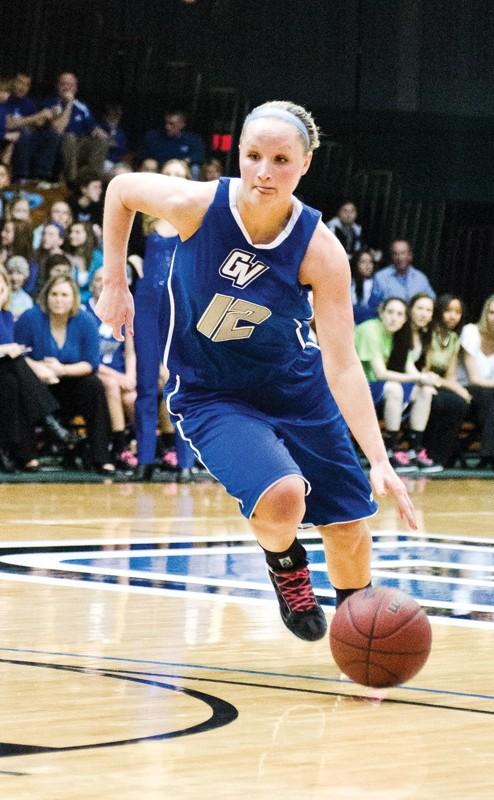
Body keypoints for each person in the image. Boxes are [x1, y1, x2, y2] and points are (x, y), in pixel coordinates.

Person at [96, 100, 416, 642]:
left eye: (280, 159)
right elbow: (120, 189)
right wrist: (114, 281)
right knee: (284, 495)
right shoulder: (197, 205)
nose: (264, 172)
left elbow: (341, 362)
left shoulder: (321, 250)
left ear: (306, 163)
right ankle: (287, 566)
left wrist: (380, 457)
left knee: (346, 529)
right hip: (213, 393)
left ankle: (358, 635)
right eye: (252, 156)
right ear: (239, 156)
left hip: (297, 389)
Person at [133, 158, 196, 481]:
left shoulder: (195, 218)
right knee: (145, 384)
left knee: (179, 382)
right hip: (145, 303)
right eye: (167, 174)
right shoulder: (144, 217)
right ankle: (144, 459)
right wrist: (133, 263)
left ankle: (185, 462)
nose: (172, 178)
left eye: (179, 174)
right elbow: (127, 249)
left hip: (180, 305)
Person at [15, 275, 114, 473]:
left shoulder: (85, 321)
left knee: (94, 386)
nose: (59, 299)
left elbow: (91, 363)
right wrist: (38, 367)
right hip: (38, 384)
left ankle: (101, 457)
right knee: (17, 383)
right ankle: (26, 456)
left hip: (71, 382)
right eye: (54, 294)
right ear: (46, 296)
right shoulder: (30, 318)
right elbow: (17, 355)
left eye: (64, 295)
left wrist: (62, 370)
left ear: (73, 298)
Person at [355, 296, 442, 472]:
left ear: (405, 319)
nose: (394, 318)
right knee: (394, 388)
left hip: (379, 390)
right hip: (357, 388)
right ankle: (391, 449)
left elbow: (411, 370)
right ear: (381, 312)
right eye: (390, 312)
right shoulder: (370, 329)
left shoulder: (401, 336)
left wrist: (427, 379)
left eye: (400, 314)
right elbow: (380, 374)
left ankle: (414, 449)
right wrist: (419, 378)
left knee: (425, 390)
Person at [0, 266, 71, 472]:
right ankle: (49, 423)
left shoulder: (6, 316)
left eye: (1, 289)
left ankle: (12, 451)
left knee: (12, 384)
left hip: (6, 375)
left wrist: (38, 367)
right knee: (12, 374)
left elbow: (15, 354)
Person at [86, 267, 137, 468]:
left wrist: (131, 376)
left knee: (132, 398)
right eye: (98, 279)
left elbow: (130, 351)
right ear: (91, 285)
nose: (103, 284)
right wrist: (118, 376)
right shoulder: (84, 311)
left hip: (121, 373)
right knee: (111, 385)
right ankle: (120, 445)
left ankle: (143, 442)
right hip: (97, 372)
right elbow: (89, 357)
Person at [422, 294, 471, 468]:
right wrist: (456, 388)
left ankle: (442, 458)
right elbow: (425, 369)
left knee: (460, 403)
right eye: (448, 311)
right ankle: (425, 452)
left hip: (441, 382)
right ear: (439, 312)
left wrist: (460, 391)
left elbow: (451, 375)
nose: (453, 316)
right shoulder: (429, 333)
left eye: (457, 312)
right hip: (424, 381)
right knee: (442, 403)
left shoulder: (454, 338)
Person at [45, 72, 109, 185]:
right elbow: (58, 129)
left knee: (101, 141)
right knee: (69, 138)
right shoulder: (51, 103)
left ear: (76, 88)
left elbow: (92, 127)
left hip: (79, 145)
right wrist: (69, 104)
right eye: (63, 84)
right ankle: (73, 181)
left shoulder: (82, 106)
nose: (67, 88)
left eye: (71, 85)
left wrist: (98, 132)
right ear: (57, 86)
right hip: (59, 147)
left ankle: (93, 181)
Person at [459, 294, 494, 469]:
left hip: (488, 393)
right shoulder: (470, 331)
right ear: (485, 313)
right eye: (492, 312)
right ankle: (488, 454)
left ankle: (488, 454)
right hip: (465, 389)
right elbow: (474, 378)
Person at [368, 239, 436, 311]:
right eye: (395, 254)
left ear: (410, 256)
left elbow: (432, 301)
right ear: (391, 257)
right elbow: (373, 306)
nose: (399, 258)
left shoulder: (421, 278)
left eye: (403, 253)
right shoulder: (380, 277)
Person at [137, 109, 206, 178]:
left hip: (181, 168)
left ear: (182, 124)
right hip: (159, 166)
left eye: (172, 124)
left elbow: (199, 154)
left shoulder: (192, 139)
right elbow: (142, 154)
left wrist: (186, 161)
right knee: (149, 164)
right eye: (166, 123)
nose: (167, 127)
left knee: (195, 169)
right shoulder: (153, 136)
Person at [66, 221, 103, 303]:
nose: (71, 235)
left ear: (88, 235)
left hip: (91, 303)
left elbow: (99, 287)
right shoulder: (68, 256)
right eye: (71, 232)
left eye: (77, 232)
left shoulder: (97, 257)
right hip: (70, 301)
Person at [351, 249, 376, 323]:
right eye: (363, 262)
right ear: (356, 264)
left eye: (370, 262)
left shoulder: (377, 283)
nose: (367, 265)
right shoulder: (349, 283)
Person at [5, 255, 33, 319]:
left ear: (25, 276)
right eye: (10, 273)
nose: (14, 278)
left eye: (19, 273)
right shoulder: (2, 295)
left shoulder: (27, 300)